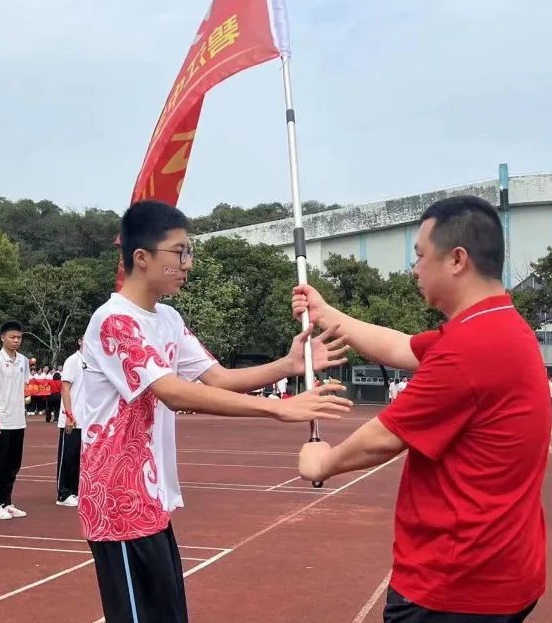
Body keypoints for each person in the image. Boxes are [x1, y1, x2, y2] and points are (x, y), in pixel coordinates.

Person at [75, 200, 352, 623]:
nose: (188, 263)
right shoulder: (113, 321)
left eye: (189, 252)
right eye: (180, 252)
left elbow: (216, 378)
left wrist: (288, 365)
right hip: (118, 499)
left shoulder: (166, 318)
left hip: (151, 498)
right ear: (142, 258)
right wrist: (280, 408)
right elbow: (174, 393)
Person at [297, 195, 549, 622]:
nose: (414, 268)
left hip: (455, 584)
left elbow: (382, 439)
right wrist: (326, 314)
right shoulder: (495, 326)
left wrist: (322, 463)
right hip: (502, 568)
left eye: (419, 256)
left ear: (456, 260)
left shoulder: (470, 348)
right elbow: (398, 345)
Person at [0, 321, 29, 520]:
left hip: (18, 420)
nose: (16, 341)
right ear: (3, 337)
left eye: (19, 337)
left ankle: (6, 501)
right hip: (0, 421)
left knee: (13, 464)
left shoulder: (24, 361)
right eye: (12, 337)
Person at [56, 338, 83, 507]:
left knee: (80, 458)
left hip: (88, 420)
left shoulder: (94, 360)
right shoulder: (73, 361)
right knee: (68, 456)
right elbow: (65, 388)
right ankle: (64, 493)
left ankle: (76, 491)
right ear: (79, 341)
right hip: (72, 417)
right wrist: (69, 414)